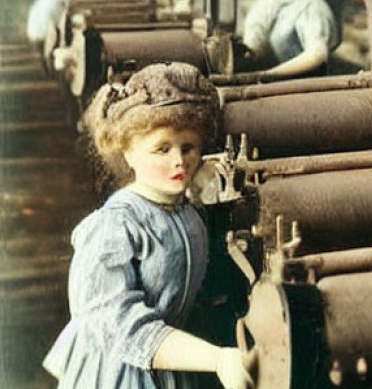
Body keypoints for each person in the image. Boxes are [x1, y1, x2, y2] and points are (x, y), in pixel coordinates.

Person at [42, 62, 254, 389]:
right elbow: (119, 325)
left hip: (173, 366)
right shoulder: (115, 227)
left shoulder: (188, 213)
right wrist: (216, 358)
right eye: (162, 149)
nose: (179, 161)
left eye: (188, 147)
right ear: (127, 152)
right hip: (118, 373)